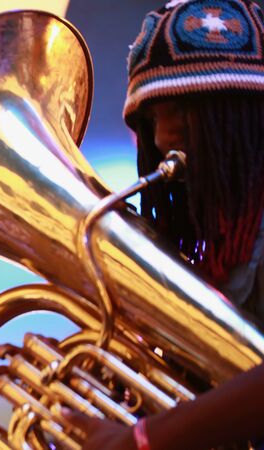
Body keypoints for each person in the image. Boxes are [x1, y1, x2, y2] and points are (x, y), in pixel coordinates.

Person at [65, 0, 264, 448]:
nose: (160, 138)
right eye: (151, 118)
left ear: (238, 110)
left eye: (179, 109)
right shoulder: (211, 245)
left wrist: (142, 439)